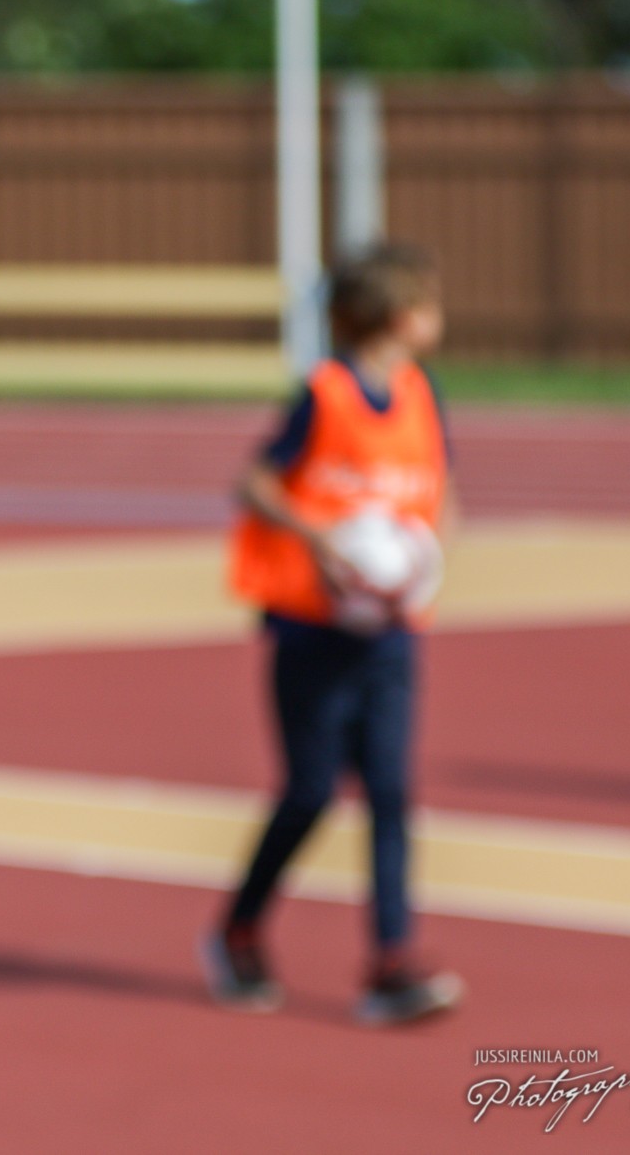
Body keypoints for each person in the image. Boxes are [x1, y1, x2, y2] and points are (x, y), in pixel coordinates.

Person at [202, 242, 464, 1027]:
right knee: (311, 790)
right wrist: (320, 539)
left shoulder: (421, 392)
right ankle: (239, 928)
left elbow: (444, 489)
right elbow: (254, 481)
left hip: (389, 635)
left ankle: (391, 961)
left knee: (390, 790)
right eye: (429, 302)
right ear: (400, 315)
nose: (439, 316)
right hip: (313, 630)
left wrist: (425, 561)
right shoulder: (325, 394)